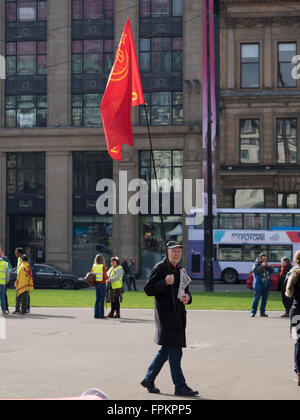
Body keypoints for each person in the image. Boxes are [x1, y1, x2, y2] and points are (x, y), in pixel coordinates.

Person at [141, 241, 198, 397]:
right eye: (173, 251)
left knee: (166, 351)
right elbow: (148, 289)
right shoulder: (160, 268)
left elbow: (186, 290)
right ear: (167, 252)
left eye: (179, 251)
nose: (176, 254)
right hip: (166, 317)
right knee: (175, 352)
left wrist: (188, 298)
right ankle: (180, 386)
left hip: (178, 315)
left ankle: (148, 379)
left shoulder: (181, 270)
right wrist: (165, 282)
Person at [285, 249, 300, 386]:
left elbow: (288, 292)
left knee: (298, 342)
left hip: (296, 311)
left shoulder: (294, 273)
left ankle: (298, 372)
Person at [250, 253, 274, 317]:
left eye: (265, 259)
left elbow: (272, 271)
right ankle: (253, 312)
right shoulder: (256, 264)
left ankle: (262, 312)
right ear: (260, 258)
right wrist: (262, 266)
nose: (264, 261)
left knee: (264, 300)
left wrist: (268, 266)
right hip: (258, 285)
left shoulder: (267, 264)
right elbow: (255, 271)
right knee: (256, 299)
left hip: (266, 285)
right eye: (263, 259)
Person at [15, 247, 36, 313]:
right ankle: (24, 308)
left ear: (20, 253)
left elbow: (30, 270)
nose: (15, 253)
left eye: (16, 252)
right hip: (21, 279)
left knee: (25, 295)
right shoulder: (19, 259)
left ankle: (26, 308)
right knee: (24, 295)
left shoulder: (26, 261)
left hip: (25, 280)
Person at [92, 254, 108, 319]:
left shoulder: (94, 266)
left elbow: (92, 274)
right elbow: (104, 275)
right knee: (102, 300)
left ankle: (96, 315)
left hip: (96, 284)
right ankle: (101, 315)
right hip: (102, 283)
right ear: (102, 259)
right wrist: (108, 278)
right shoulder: (103, 266)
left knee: (97, 299)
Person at [0, 246, 12, 313]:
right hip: (2, 282)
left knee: (4, 296)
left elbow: (9, 268)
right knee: (3, 296)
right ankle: (4, 310)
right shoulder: (5, 262)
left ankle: (5, 309)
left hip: (3, 282)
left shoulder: (5, 259)